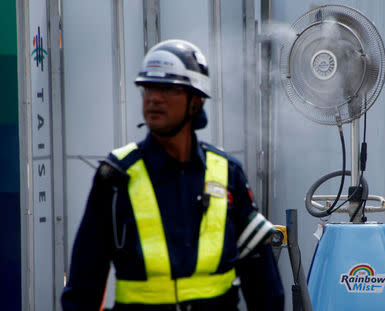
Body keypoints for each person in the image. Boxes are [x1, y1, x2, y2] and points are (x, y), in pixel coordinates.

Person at [61, 39, 284, 311]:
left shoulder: (228, 174)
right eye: (148, 88)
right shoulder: (116, 177)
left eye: (167, 89)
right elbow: (84, 286)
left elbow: (265, 287)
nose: (154, 98)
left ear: (196, 101)